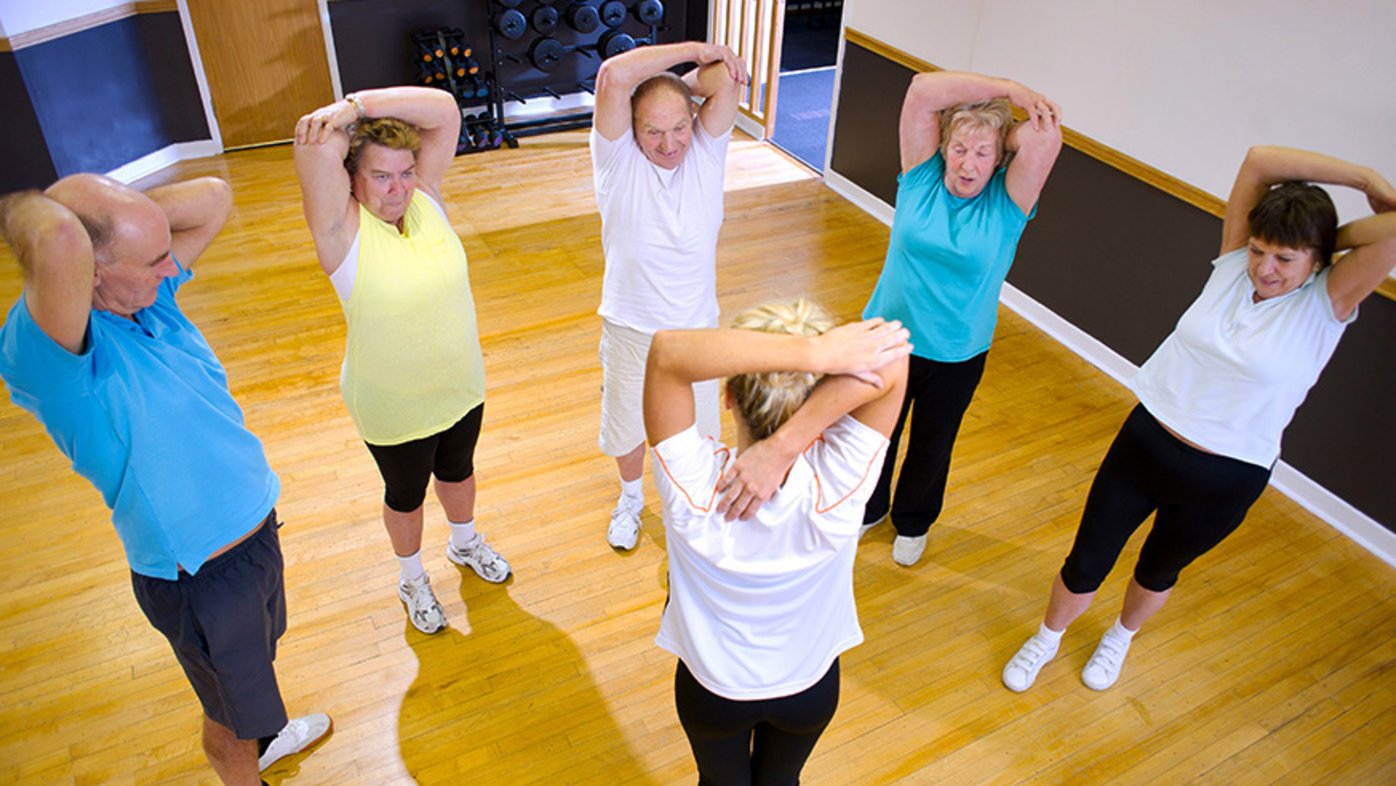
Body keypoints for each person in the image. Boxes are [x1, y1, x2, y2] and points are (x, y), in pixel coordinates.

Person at [1002, 146, 1396, 694]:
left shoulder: (1326, 301)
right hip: (1146, 443)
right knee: (1087, 557)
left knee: (1158, 569)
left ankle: (1119, 636)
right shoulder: (1232, 263)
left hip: (1227, 477)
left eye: (1285, 258)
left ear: (1316, 261)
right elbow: (1259, 161)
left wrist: (1330, 243)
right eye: (1261, 250)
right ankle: (1047, 637)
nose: (1265, 268)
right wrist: (1363, 174)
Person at [0, 175, 330, 784]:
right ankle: (246, 767)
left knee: (254, 671)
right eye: (154, 259)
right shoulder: (55, 363)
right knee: (230, 718)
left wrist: (130, 216)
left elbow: (214, 196)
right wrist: (42, 210)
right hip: (202, 578)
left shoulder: (151, 297)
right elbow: (53, 236)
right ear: (91, 270)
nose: (171, 266)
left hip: (254, 539)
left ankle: (269, 733)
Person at [644, 300, 910, 784]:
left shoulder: (693, 490)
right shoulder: (840, 488)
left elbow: (666, 353)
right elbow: (893, 355)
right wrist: (791, 439)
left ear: (727, 395)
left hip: (713, 693)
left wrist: (810, 353)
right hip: (807, 691)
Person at [293, 87, 510, 635]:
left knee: (459, 472)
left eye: (406, 172)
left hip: (460, 384)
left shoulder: (427, 199)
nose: (398, 189)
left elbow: (444, 111)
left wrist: (358, 106)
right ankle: (412, 577)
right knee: (406, 495)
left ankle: (465, 544)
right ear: (353, 179)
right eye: (381, 176)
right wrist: (341, 117)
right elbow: (312, 140)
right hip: (393, 403)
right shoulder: (341, 232)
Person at [857, 70, 1063, 566]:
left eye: (984, 154)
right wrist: (1009, 91)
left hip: (956, 351)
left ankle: (913, 521)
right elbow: (922, 89)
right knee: (872, 435)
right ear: (944, 146)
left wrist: (996, 126)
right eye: (960, 148)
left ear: (1000, 160)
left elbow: (1045, 134)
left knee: (933, 444)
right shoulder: (920, 176)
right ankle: (868, 506)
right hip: (886, 339)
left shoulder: (1007, 205)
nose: (969, 164)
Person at [590, 40, 748, 550]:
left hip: (695, 331)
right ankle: (631, 500)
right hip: (630, 326)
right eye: (653, 131)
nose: (669, 143)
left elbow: (723, 78)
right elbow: (613, 77)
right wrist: (696, 51)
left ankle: (691, 513)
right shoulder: (617, 159)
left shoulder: (706, 149)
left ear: (693, 119)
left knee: (697, 438)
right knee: (627, 429)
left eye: (679, 126)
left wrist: (682, 86)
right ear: (633, 130)